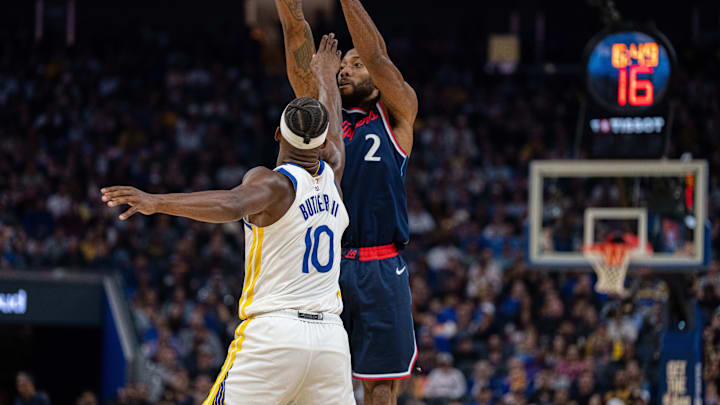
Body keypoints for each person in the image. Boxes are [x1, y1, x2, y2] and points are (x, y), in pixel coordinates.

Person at [101, 35, 354, 405]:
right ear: (320, 144)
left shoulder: (274, 183)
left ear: (277, 134)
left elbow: (231, 204)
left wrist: (155, 201)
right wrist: (327, 76)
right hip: (332, 341)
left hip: (274, 335)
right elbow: (333, 132)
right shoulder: (333, 172)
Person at [276, 0, 419, 403]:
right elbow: (296, 38)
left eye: (355, 65)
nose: (345, 68)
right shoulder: (321, 112)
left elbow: (375, 53)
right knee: (309, 381)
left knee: (380, 387)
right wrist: (289, 9)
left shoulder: (397, 114)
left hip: (380, 266)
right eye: (343, 64)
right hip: (324, 265)